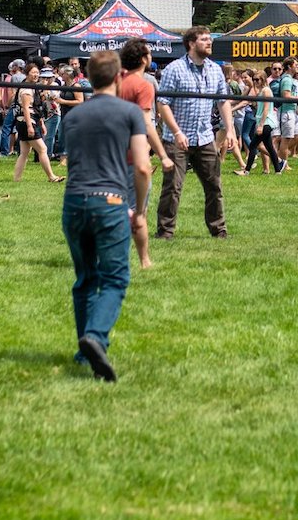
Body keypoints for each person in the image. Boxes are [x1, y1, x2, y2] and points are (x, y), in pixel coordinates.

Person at [56, 49, 150, 383]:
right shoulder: (129, 112)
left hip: (73, 202)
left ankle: (85, 353)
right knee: (114, 278)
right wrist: (138, 211)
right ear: (119, 76)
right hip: (110, 201)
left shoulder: (72, 117)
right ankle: (95, 336)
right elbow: (141, 166)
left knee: (84, 279)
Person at [155, 26, 239, 241]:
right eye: (204, 39)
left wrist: (229, 130)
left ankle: (219, 230)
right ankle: (165, 232)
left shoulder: (214, 70)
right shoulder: (174, 69)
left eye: (210, 39)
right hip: (177, 139)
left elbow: (223, 102)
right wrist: (176, 132)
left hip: (205, 138)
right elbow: (163, 104)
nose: (209, 42)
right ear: (191, 43)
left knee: (214, 186)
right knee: (173, 187)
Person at [117, 38, 176, 269]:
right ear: (143, 59)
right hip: (133, 153)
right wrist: (163, 154)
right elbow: (146, 123)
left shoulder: (115, 79)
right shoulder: (143, 85)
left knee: (115, 204)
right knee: (138, 211)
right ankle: (143, 260)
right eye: (149, 54)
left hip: (110, 153)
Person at [13, 66, 63, 183]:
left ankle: (16, 179)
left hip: (26, 121)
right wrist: (30, 126)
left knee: (24, 153)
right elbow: (26, 108)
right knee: (43, 149)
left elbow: (35, 108)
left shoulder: (31, 86)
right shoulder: (26, 90)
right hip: (27, 122)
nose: (36, 75)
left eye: (37, 73)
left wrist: (41, 124)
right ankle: (51, 177)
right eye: (33, 73)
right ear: (27, 74)